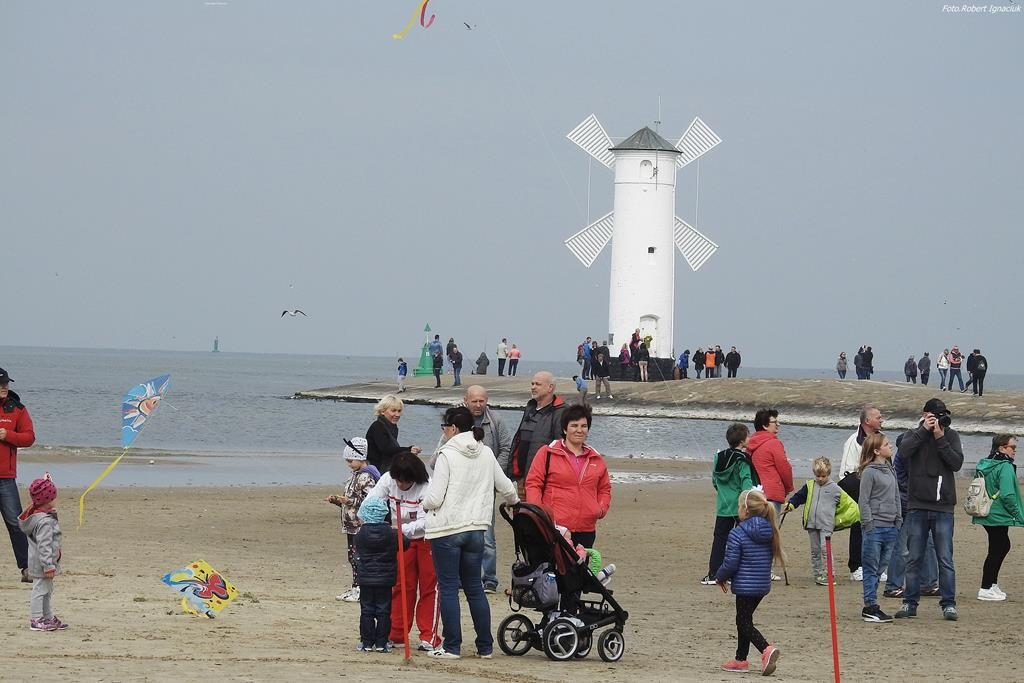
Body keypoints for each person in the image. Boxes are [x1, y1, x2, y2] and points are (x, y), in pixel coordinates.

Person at [423, 406, 518, 659]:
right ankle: (485, 647)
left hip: (448, 529)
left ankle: (452, 646)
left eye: (445, 427)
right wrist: (514, 501)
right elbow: (506, 487)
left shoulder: (447, 454)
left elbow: (435, 497)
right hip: (476, 528)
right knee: (475, 587)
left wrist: (424, 504)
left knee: (448, 588)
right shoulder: (486, 452)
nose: (444, 432)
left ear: (453, 428)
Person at [895, 398, 964, 621]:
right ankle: (910, 603)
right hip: (917, 505)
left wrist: (940, 438)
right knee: (914, 557)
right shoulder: (913, 435)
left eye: (943, 415)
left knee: (945, 558)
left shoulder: (951, 436)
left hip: (943, 506)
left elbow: (956, 464)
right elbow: (903, 453)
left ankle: (949, 604)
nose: (941, 419)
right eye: (936, 415)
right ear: (925, 415)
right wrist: (924, 430)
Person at [368, 452, 440, 650]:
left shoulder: (428, 487)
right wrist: (378, 524)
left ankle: (429, 636)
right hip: (400, 539)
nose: (400, 484)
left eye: (405, 481)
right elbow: (371, 502)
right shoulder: (388, 480)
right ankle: (397, 634)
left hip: (426, 538)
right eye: (398, 480)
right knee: (401, 585)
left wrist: (401, 530)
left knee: (429, 587)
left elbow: (427, 521)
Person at [715, 488, 783, 676]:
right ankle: (740, 659)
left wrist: (720, 576)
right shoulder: (769, 530)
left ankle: (766, 649)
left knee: (743, 621)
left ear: (745, 510)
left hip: (746, 585)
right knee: (745, 619)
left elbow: (730, 563)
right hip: (761, 585)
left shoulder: (737, 533)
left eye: (739, 506)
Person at [525, 403, 611, 548]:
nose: (579, 430)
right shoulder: (547, 453)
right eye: (574, 425)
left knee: (582, 563)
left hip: (586, 529)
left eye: (583, 426)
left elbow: (604, 488)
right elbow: (533, 484)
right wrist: (539, 514)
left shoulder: (596, 459)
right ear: (565, 429)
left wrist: (600, 509)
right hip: (554, 527)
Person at [463, 386, 511, 594]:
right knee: (461, 532)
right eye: (474, 401)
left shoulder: (496, 421)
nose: (478, 405)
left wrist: (492, 473)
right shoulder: (458, 420)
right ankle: (463, 577)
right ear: (466, 400)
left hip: (486, 486)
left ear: (487, 400)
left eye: (481, 401)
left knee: (487, 534)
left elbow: (506, 448)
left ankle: (490, 578)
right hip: (462, 485)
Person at [702, 423, 757, 585]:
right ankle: (735, 574)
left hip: (723, 505)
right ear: (741, 441)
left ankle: (715, 573)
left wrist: (723, 492)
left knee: (720, 540)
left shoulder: (719, 457)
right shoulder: (742, 459)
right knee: (741, 539)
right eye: (748, 436)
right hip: (740, 506)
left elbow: (715, 481)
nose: (750, 438)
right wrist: (747, 500)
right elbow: (746, 480)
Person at [972, 434, 1024, 602]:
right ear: (1002, 448)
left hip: (986, 511)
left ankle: (992, 584)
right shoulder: (1005, 466)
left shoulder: (986, 463)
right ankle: (986, 587)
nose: (1015, 451)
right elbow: (1008, 495)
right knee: (998, 548)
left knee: (1002, 546)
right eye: (1012, 447)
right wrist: (1020, 516)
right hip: (997, 513)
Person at [327, 438, 379, 603]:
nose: (349, 464)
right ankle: (356, 587)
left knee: (359, 557)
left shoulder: (366, 477)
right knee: (352, 556)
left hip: (361, 525)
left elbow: (371, 501)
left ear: (361, 457)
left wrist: (348, 501)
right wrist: (337, 500)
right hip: (350, 525)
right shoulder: (354, 476)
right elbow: (350, 501)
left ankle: (362, 589)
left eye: (351, 460)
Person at [857, 433, 901, 623]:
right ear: (876, 450)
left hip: (891, 526)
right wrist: (869, 524)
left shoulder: (890, 469)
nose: (890, 446)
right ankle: (870, 606)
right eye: (886, 444)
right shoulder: (869, 472)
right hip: (874, 528)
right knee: (871, 568)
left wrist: (898, 520)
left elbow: (896, 495)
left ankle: (872, 604)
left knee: (881, 568)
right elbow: (864, 500)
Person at [839, 405, 884, 582]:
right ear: (867, 421)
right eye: (878, 417)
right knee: (859, 526)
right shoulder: (854, 441)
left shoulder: (880, 439)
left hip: (876, 489)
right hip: (857, 488)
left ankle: (875, 566)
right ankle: (856, 567)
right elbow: (846, 474)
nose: (881, 420)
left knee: (878, 527)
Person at [18, 476, 65, 631]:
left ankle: (47, 616)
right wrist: (48, 565)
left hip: (46, 562)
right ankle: (36, 618)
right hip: (42, 564)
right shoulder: (44, 522)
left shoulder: (41, 515)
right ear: (48, 500)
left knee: (47, 590)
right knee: (40, 590)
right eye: (53, 497)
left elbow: (40, 505)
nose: (56, 500)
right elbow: (44, 546)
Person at [507, 372, 567, 494]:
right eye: (532, 384)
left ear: (550, 387)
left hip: (544, 480)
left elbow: (562, 448)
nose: (533, 387)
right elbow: (519, 441)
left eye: (538, 384)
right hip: (522, 478)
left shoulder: (561, 412)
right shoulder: (530, 408)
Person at [785, 457, 841, 587]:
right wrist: (791, 505)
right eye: (818, 476)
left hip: (826, 524)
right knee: (815, 550)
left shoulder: (835, 488)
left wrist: (844, 518)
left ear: (828, 474)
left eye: (823, 476)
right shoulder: (810, 485)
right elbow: (799, 497)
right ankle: (818, 574)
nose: (820, 479)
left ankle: (829, 573)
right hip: (812, 523)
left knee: (825, 549)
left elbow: (845, 504)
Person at [0, 367, 33, 583]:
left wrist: (8, 435)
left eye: (6, 383)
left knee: (16, 523)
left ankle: (27, 568)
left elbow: (29, 438)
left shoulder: (17, 408)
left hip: (5, 478)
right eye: (0, 384)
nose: (4, 387)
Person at [354, 497, 398, 653]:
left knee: (366, 610)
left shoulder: (360, 534)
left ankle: (366, 642)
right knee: (383, 610)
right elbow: (404, 544)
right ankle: (382, 642)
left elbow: (358, 551)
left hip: (366, 578)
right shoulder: (392, 534)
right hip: (385, 579)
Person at [748, 409, 793, 516]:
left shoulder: (750, 444)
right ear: (765, 425)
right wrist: (788, 487)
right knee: (771, 525)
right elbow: (785, 469)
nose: (778, 424)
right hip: (771, 493)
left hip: (754, 492)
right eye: (775, 422)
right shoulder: (774, 443)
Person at [365, 395, 422, 475]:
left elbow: (392, 450)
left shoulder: (392, 427)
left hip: (385, 468)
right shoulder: (378, 426)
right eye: (393, 411)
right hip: (376, 470)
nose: (397, 414)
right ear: (382, 411)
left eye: (399, 411)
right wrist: (408, 450)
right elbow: (386, 450)